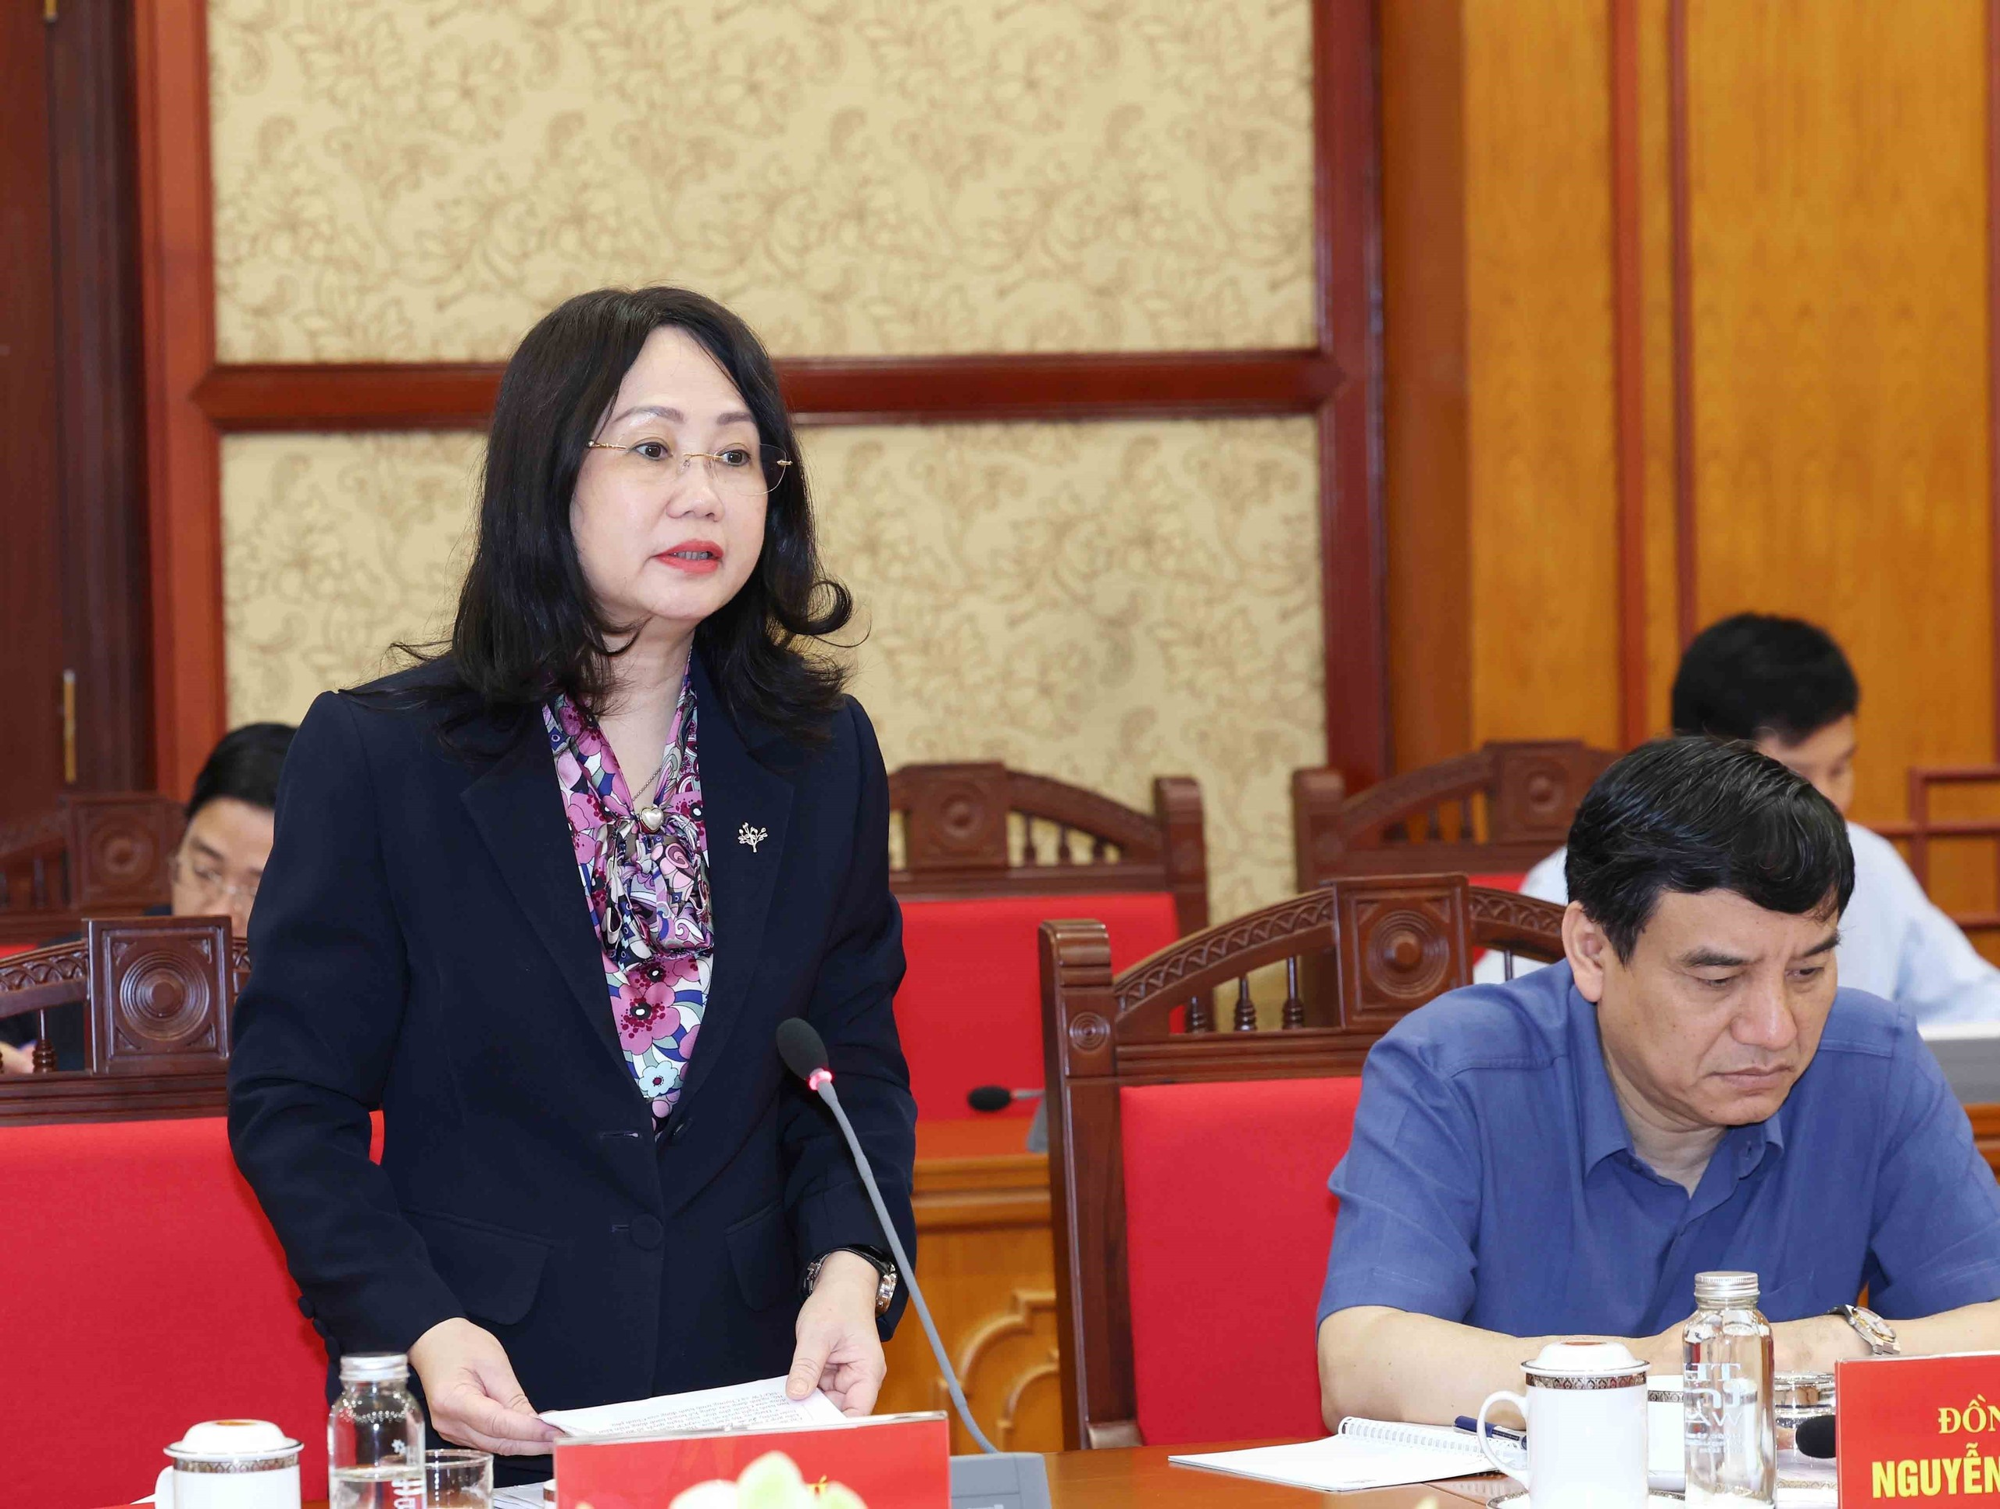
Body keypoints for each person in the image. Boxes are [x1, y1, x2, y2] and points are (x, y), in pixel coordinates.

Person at [226, 286, 915, 1485]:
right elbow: (294, 1102)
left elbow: (846, 1065)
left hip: (752, 1399)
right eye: (651, 449)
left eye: (736, 456)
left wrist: (852, 1270)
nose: (700, 493)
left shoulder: (818, 755)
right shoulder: (384, 758)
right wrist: (417, 1328)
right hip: (487, 1396)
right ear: (547, 477)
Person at [1318, 737, 2000, 1429]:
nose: (1775, 1029)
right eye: (1718, 979)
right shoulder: (1452, 1070)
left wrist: (1823, 1347)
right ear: (1593, 950)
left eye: (1807, 972)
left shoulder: (1872, 1062)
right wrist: (1657, 1373)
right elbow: (1360, 1364)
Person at [1483, 612, 2000, 1024]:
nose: (1827, 803)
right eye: (1794, 775)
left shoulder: (1867, 860)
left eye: (1840, 769)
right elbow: (1499, 1032)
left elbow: (1976, 1009)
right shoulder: (1596, 878)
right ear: (1696, 758)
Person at [0, 721, 295, 1074]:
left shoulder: (327, 996)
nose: (221, 911)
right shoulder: (85, 969)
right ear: (177, 855)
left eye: (259, 889)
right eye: (205, 871)